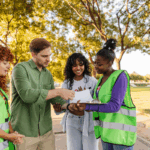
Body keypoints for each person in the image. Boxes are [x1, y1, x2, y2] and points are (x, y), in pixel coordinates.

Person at [10, 38, 75, 150]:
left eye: (50, 55)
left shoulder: (47, 74)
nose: (49, 59)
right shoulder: (20, 69)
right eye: (44, 56)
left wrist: (69, 106)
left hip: (46, 133)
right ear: (33, 55)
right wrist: (59, 91)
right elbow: (27, 95)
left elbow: (54, 99)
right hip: (24, 134)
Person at [73, 39, 137, 150]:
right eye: (95, 63)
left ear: (110, 63)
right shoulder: (101, 79)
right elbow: (97, 101)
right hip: (106, 134)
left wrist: (88, 106)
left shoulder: (120, 76)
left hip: (121, 136)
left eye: (100, 64)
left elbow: (114, 106)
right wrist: (83, 98)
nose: (96, 67)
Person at [53, 53, 99, 150]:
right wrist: (62, 107)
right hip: (72, 121)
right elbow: (63, 103)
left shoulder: (92, 81)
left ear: (85, 65)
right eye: (74, 65)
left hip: (89, 121)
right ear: (70, 67)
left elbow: (97, 100)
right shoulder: (67, 83)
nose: (78, 68)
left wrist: (91, 105)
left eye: (81, 64)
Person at [0, 45, 24, 150]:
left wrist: (13, 133)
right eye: (5, 63)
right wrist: (9, 136)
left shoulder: (1, 90)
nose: (9, 66)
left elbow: (6, 118)